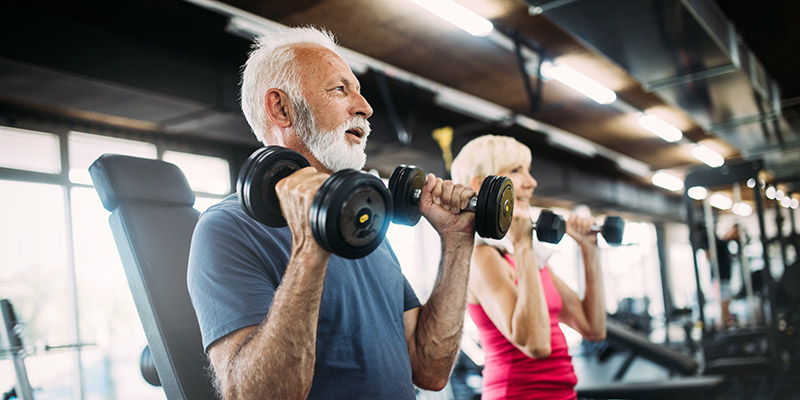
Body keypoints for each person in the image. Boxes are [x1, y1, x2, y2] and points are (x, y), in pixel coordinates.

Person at [186, 27, 479, 399]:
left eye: (357, 89)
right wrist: (311, 247)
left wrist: (456, 242)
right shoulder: (227, 228)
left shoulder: (364, 224)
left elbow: (429, 368)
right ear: (281, 108)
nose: (365, 107)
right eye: (340, 89)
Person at [450, 135, 607, 399]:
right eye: (515, 170)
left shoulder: (529, 260)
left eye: (528, 170)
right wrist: (523, 244)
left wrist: (588, 249)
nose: (531, 182)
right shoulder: (483, 257)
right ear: (481, 184)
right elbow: (536, 345)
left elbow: (593, 328)